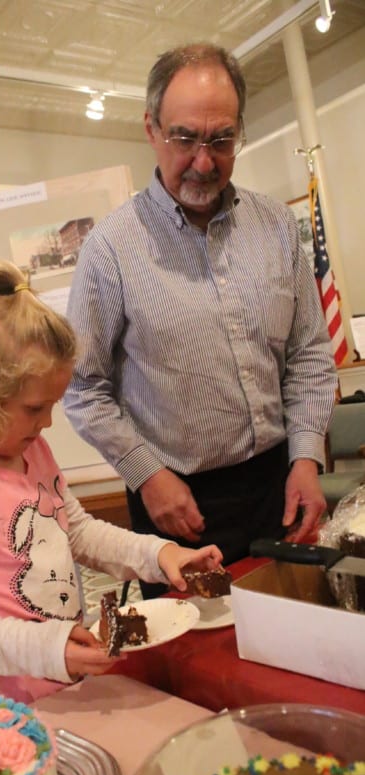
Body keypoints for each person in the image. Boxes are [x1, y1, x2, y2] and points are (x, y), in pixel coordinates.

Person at [63, 43, 338, 599]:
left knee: (291, 643)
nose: (204, 161)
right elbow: (83, 387)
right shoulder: (110, 249)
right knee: (197, 673)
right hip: (175, 504)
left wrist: (306, 456)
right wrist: (147, 475)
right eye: (185, 138)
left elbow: (309, 352)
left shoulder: (278, 229)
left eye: (221, 140)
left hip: (280, 486)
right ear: (151, 128)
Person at [0, 259, 223, 703]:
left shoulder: (32, 450)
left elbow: (79, 532)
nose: (48, 422)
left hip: (62, 685)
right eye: (34, 408)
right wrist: (44, 649)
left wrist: (157, 552)